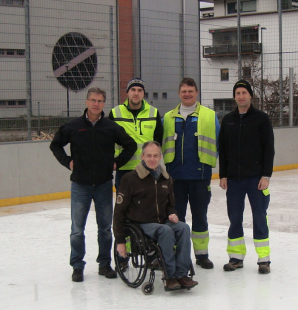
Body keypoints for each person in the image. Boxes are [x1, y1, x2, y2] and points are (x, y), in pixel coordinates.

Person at [50, 87, 137, 283]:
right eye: (93, 100)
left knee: (105, 228)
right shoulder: (73, 126)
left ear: (103, 104)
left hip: (104, 185)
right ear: (87, 102)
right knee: (77, 229)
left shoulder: (110, 127)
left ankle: (104, 264)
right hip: (80, 185)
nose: (96, 104)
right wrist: (67, 162)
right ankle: (77, 266)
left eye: (100, 101)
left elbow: (130, 145)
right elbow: (55, 145)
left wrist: (116, 163)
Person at [113, 141, 198, 291]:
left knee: (183, 228)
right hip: (141, 224)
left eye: (155, 156)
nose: (152, 159)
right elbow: (119, 212)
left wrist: (173, 214)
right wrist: (120, 241)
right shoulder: (130, 179)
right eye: (149, 156)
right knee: (165, 231)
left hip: (163, 221)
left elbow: (171, 205)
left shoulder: (166, 178)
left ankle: (182, 275)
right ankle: (170, 276)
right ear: (142, 156)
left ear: (160, 157)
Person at [161, 77, 220, 270]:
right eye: (184, 91)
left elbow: (219, 143)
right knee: (177, 218)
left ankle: (202, 255)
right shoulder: (168, 118)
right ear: (179, 94)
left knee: (200, 216)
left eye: (191, 91)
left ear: (197, 93)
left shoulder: (209, 116)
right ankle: (180, 254)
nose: (187, 94)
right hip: (175, 177)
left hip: (200, 177)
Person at [218, 79, 275, 274]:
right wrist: (223, 174)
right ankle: (236, 257)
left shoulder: (261, 118)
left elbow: (269, 149)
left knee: (259, 216)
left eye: (244, 92)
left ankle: (264, 259)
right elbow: (223, 150)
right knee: (235, 217)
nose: (241, 96)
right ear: (234, 97)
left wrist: (266, 175)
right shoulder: (228, 120)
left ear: (250, 95)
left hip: (256, 179)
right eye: (238, 93)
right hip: (233, 179)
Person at [110, 78, 163, 187]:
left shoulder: (153, 112)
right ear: (127, 92)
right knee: (124, 203)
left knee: (147, 203)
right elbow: (108, 140)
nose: (136, 93)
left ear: (143, 93)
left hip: (147, 168)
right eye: (133, 89)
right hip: (124, 168)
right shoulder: (115, 113)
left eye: (140, 90)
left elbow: (158, 140)